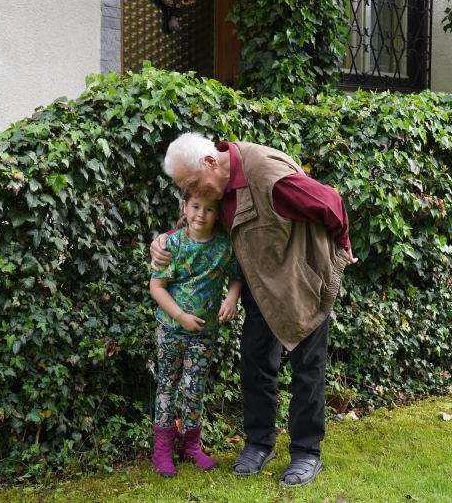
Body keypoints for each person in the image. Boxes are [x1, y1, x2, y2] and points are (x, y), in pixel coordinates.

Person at [150, 132, 357, 487]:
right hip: (260, 283)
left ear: (211, 163)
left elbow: (332, 205)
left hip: (299, 281)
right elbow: (198, 220)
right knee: (256, 362)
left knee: (308, 368)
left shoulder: (268, 177)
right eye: (187, 190)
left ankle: (307, 453)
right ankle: (259, 444)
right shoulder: (214, 180)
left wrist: (337, 258)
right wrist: (165, 240)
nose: (194, 194)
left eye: (195, 185)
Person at [149, 189, 244, 478]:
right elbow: (157, 287)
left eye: (209, 209)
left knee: (195, 389)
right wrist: (180, 316)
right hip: (171, 330)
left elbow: (236, 276)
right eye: (195, 206)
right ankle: (162, 451)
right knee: (167, 386)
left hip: (204, 333)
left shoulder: (224, 247)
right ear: (185, 207)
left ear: (219, 213)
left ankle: (191, 447)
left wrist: (231, 298)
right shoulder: (171, 245)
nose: (201, 214)